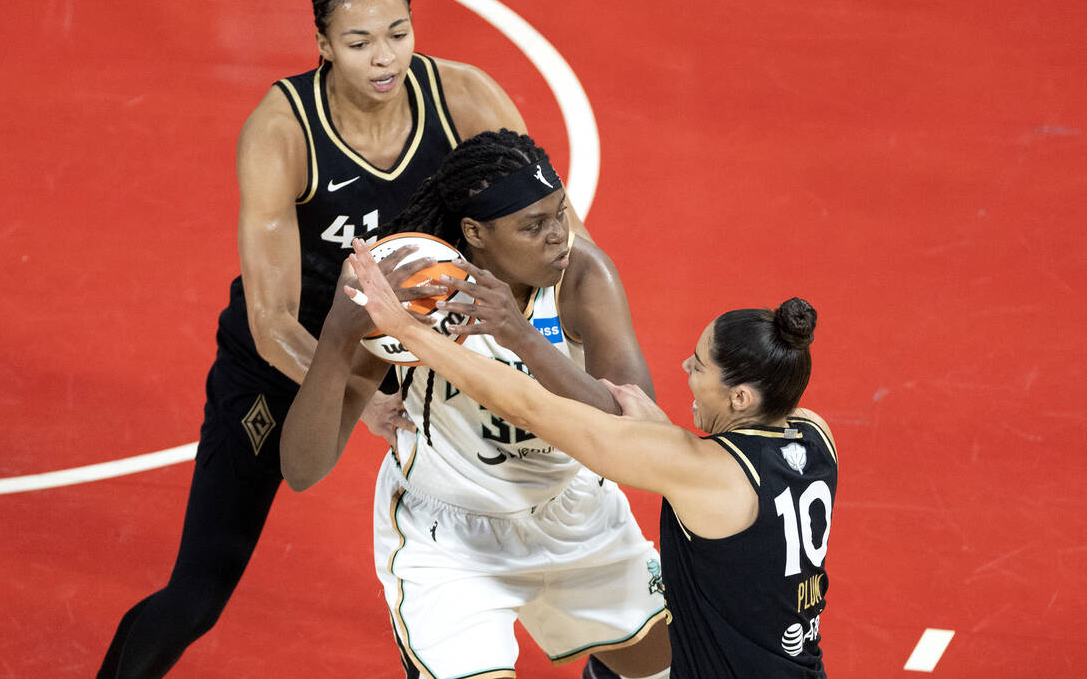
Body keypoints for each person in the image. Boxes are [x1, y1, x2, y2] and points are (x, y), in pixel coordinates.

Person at [96, 0, 564, 678]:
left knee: (480, 556)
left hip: (428, 350)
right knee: (196, 597)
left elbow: (555, 229)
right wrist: (362, 394)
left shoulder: (463, 98)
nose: (384, 57)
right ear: (321, 43)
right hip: (297, 356)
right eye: (358, 42)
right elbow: (272, 318)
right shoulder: (282, 129)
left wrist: (547, 340)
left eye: (398, 33)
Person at [279, 129, 672, 679]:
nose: (558, 236)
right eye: (533, 226)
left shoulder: (582, 275)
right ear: (474, 233)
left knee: (672, 669)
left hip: (574, 515)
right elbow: (301, 469)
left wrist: (523, 338)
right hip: (451, 541)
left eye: (560, 212)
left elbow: (641, 440)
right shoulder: (414, 290)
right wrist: (338, 338)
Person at [345, 242, 836, 679]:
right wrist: (663, 435)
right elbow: (723, 478)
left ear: (743, 398)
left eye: (700, 364)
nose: (686, 367)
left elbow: (528, 404)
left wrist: (408, 330)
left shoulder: (703, 470)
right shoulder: (817, 436)